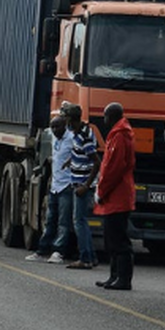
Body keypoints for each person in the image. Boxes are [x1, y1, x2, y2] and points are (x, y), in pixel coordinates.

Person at [94, 102, 136, 290]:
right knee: (111, 238)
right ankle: (114, 276)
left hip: (117, 196)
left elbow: (114, 169)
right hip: (115, 196)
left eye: (105, 116)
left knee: (118, 239)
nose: (104, 120)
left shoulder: (119, 136)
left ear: (112, 117)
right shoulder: (118, 134)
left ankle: (123, 279)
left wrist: (101, 190)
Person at [26, 116, 75, 264]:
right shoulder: (55, 139)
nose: (54, 130)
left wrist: (70, 163)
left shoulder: (71, 139)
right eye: (52, 127)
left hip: (66, 185)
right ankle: (42, 250)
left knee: (63, 221)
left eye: (57, 127)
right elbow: (54, 157)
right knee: (49, 219)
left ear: (64, 126)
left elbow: (81, 156)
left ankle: (58, 251)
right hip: (54, 185)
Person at [62, 103, 101, 270]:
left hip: (82, 184)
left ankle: (84, 258)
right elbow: (81, 153)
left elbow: (96, 162)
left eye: (66, 119)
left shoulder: (83, 136)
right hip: (77, 180)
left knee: (79, 221)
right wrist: (70, 161)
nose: (65, 123)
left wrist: (86, 185)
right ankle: (91, 257)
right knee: (81, 221)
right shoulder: (78, 133)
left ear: (72, 119)